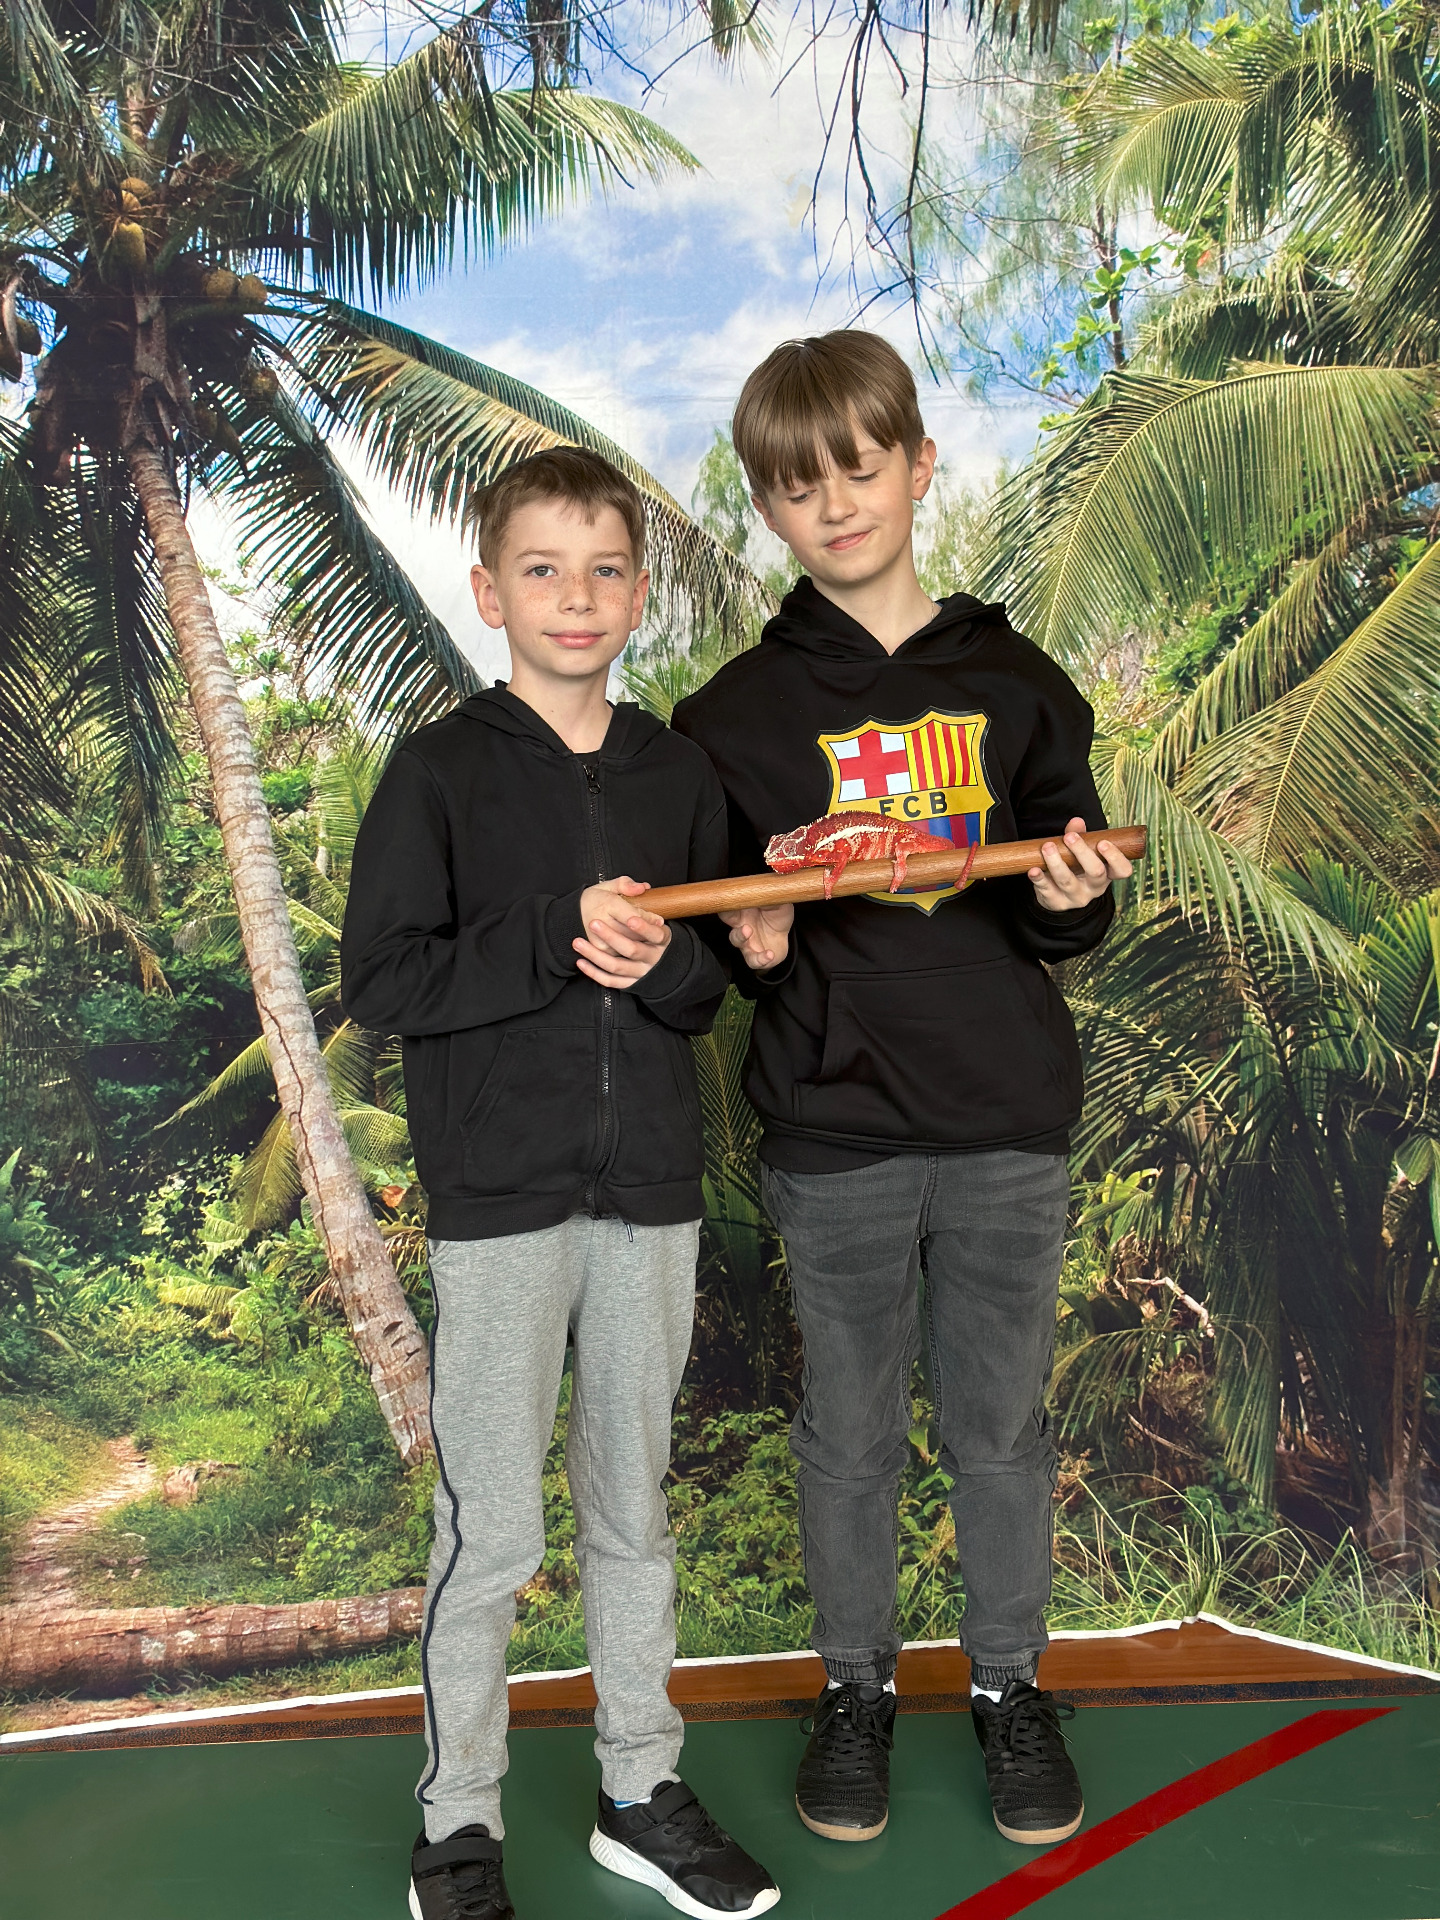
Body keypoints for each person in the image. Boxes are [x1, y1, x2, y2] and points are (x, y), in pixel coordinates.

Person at [671, 331, 1131, 1852]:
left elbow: (1069, 906)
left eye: (861, 469)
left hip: (1006, 1120)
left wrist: (1068, 895)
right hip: (834, 1130)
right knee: (849, 1438)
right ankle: (855, 1690)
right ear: (767, 509)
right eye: (799, 487)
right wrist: (750, 942)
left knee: (999, 1432)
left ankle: (1009, 1690)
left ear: (918, 466)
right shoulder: (730, 717)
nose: (836, 504)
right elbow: (728, 948)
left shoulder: (1016, 681)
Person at [341, 447, 780, 1920]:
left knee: (631, 1513)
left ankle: (640, 1793)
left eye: (604, 571)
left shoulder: (678, 773)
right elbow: (382, 979)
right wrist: (552, 934)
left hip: (649, 1197)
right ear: (490, 592)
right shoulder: (439, 771)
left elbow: (707, 988)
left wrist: (666, 965)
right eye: (543, 569)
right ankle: (458, 1823)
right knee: (495, 1534)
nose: (575, 596)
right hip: (503, 1207)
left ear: (639, 595)